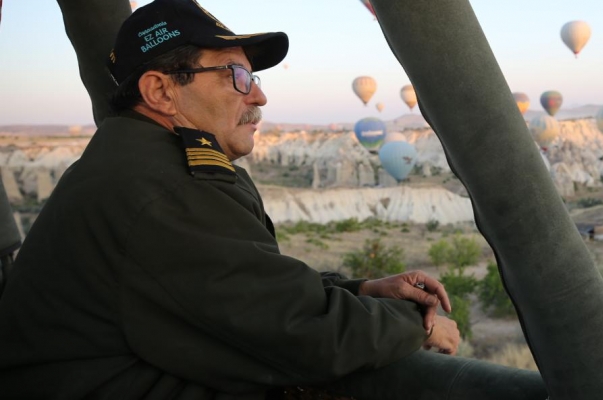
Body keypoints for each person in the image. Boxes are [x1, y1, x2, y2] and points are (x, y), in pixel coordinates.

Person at [0, 0, 466, 398]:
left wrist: (360, 291)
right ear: (161, 91)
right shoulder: (165, 189)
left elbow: (247, 293)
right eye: (237, 75)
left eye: (254, 76)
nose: (259, 95)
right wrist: (415, 322)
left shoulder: (135, 164)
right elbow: (303, 336)